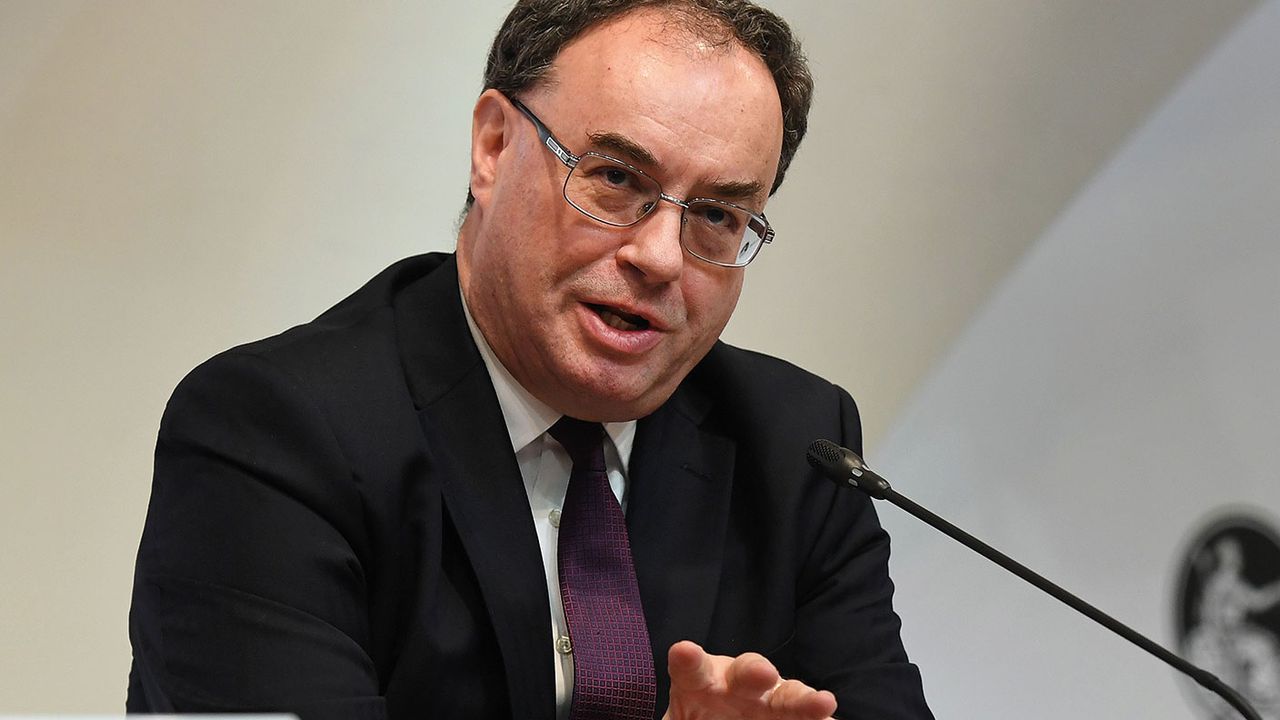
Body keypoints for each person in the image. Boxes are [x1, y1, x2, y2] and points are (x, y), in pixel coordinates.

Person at [127, 2, 933, 719]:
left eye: (719, 215)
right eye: (617, 178)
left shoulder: (800, 451)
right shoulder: (273, 435)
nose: (659, 256)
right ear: (492, 145)